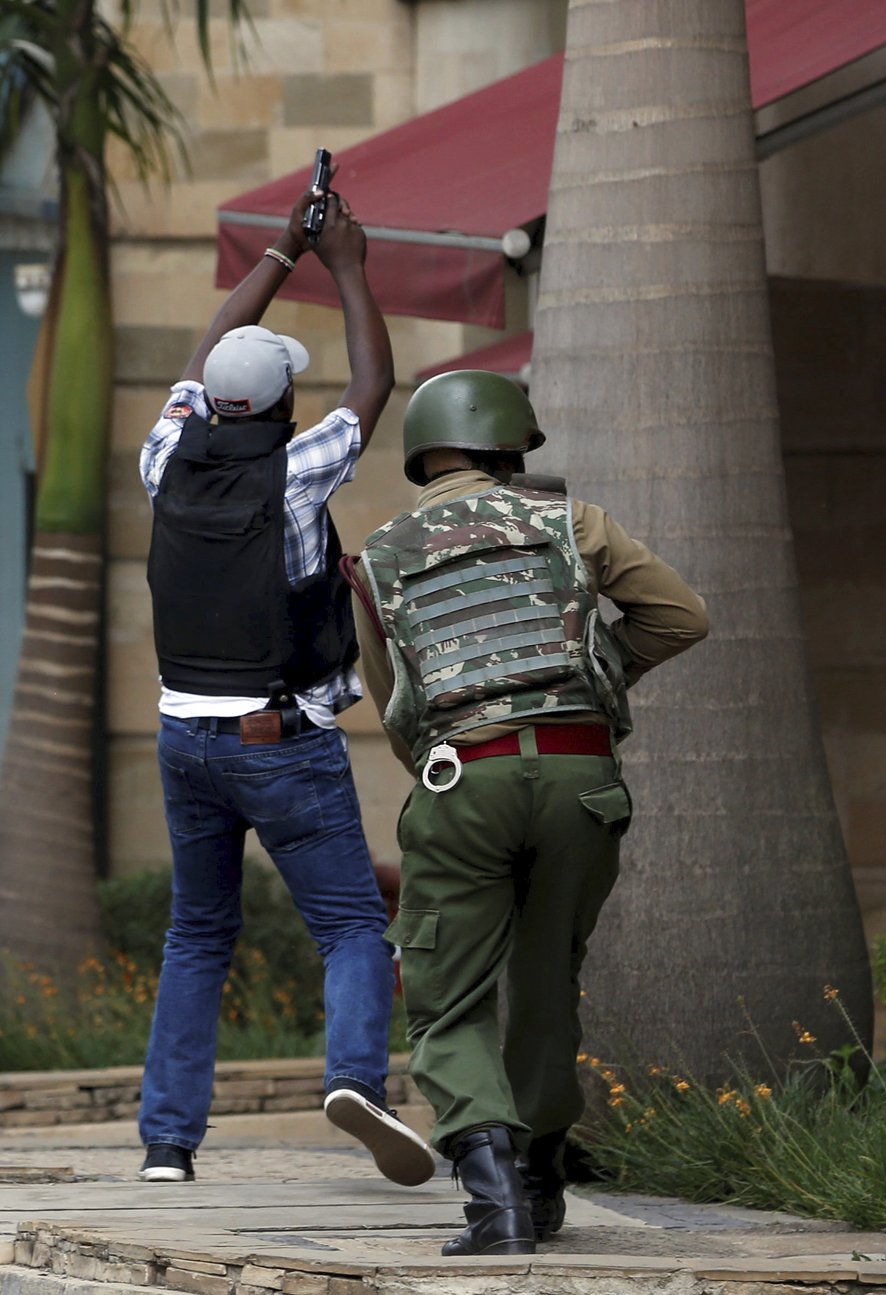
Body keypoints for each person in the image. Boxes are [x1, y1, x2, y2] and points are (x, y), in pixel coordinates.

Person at [346, 369, 709, 1256]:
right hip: (584, 779)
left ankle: (495, 1202)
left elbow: (396, 705)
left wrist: (453, 772)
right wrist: (591, 681)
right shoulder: (570, 523)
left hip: (460, 777)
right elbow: (681, 616)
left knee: (446, 996)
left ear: (424, 452)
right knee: (548, 980)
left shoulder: (381, 555)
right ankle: (543, 1183)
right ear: (512, 446)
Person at [136, 178, 435, 1191]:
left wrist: (278, 254)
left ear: (213, 398)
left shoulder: (164, 454)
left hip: (182, 736)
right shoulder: (298, 473)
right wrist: (346, 263)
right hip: (279, 738)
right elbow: (373, 387)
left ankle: (166, 1145)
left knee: (196, 933)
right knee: (352, 923)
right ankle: (356, 1078)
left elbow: (203, 354)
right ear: (278, 405)